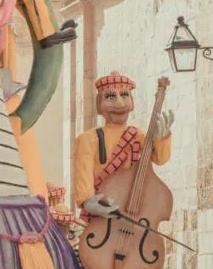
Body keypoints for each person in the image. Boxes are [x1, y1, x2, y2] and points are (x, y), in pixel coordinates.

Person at [72, 72, 173, 220]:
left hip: (135, 211)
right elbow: (83, 177)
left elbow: (160, 159)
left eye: (124, 95)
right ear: (99, 104)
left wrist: (162, 138)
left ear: (132, 103)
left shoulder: (139, 136)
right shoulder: (87, 139)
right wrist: (88, 201)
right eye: (111, 96)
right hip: (102, 214)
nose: (119, 103)